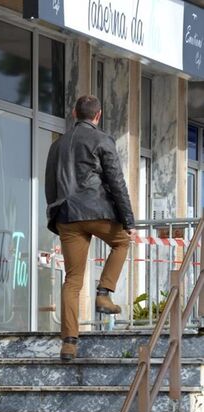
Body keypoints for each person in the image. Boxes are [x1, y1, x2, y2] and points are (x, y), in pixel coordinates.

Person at [45, 95, 136, 361]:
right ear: (98, 116)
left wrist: (55, 214)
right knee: (121, 242)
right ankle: (104, 293)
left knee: (72, 280)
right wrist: (128, 221)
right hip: (97, 211)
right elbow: (116, 182)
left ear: (75, 113)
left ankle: (69, 343)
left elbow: (50, 186)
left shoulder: (57, 145)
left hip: (66, 215)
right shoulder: (102, 139)